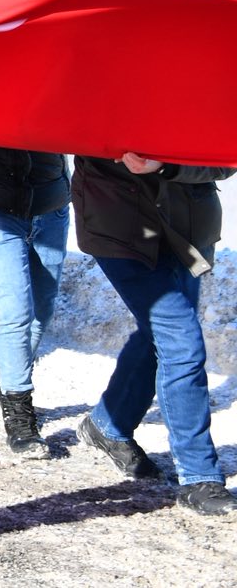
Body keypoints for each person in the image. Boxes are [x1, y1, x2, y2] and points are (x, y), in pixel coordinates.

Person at [72, 152, 235, 513]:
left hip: (188, 228)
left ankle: (107, 424)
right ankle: (198, 476)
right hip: (120, 229)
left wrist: (168, 166)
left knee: (161, 334)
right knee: (181, 342)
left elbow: (227, 158)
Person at [0, 141, 69, 457]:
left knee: (41, 311)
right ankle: (18, 409)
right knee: (16, 310)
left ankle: (8, 378)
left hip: (51, 203)